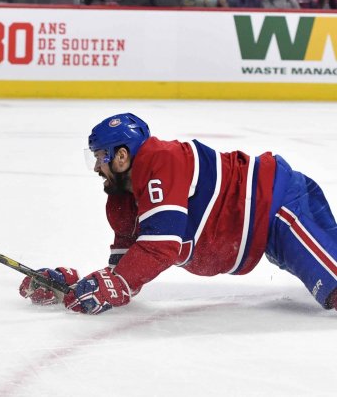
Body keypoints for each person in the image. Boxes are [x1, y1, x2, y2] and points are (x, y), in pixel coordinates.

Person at [19, 113, 337, 315]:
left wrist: (111, 284)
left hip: (281, 205)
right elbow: (127, 272)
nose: (97, 167)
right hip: (264, 230)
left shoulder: (160, 160)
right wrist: (72, 287)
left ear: (121, 155)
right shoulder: (123, 202)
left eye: (100, 158)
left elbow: (161, 247)